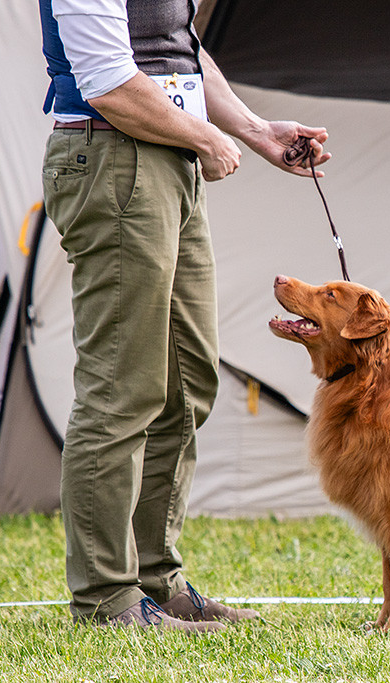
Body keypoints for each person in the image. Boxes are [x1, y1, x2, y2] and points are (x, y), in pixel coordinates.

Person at [39, 0, 330, 633]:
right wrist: (204, 138)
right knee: (123, 389)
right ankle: (106, 601)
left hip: (167, 160)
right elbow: (109, 81)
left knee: (187, 380)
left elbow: (179, 49)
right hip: (113, 158)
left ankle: (155, 582)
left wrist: (254, 129)